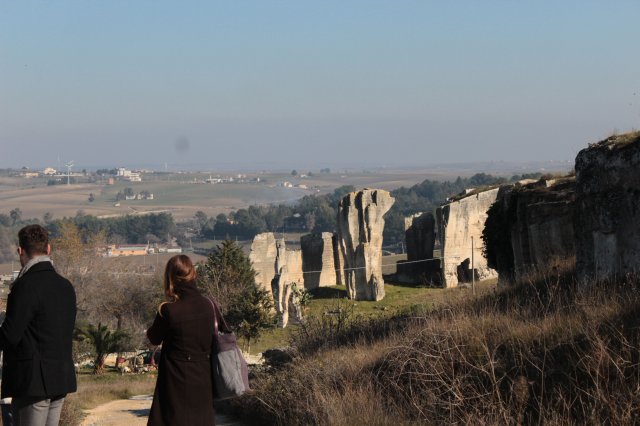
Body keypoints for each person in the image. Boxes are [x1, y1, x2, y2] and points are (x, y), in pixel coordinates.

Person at [0, 224, 77, 426]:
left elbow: (9, 336)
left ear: (20, 251)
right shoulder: (65, 286)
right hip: (60, 379)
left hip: (32, 383)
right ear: (48, 248)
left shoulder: (25, 286)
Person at [147, 255, 217, 426]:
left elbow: (154, 338)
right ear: (193, 274)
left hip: (175, 378)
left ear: (170, 278)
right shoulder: (209, 305)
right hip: (203, 377)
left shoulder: (169, 310)